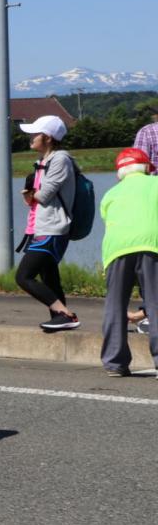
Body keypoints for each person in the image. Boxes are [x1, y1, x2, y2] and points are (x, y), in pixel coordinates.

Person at [16, 115, 80, 332]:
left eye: (36, 133)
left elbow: (44, 196)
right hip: (41, 227)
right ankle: (58, 319)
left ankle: (65, 314)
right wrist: (32, 194)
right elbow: (34, 199)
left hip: (53, 228)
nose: (31, 137)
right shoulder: (43, 162)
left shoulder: (60, 160)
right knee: (50, 278)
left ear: (49, 138)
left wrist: (33, 193)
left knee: (24, 276)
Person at [98, 148, 158, 377]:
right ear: (147, 168)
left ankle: (115, 363)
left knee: (115, 305)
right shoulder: (155, 184)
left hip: (116, 250)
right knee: (155, 303)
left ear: (120, 173)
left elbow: (108, 219)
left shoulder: (111, 193)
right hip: (152, 244)